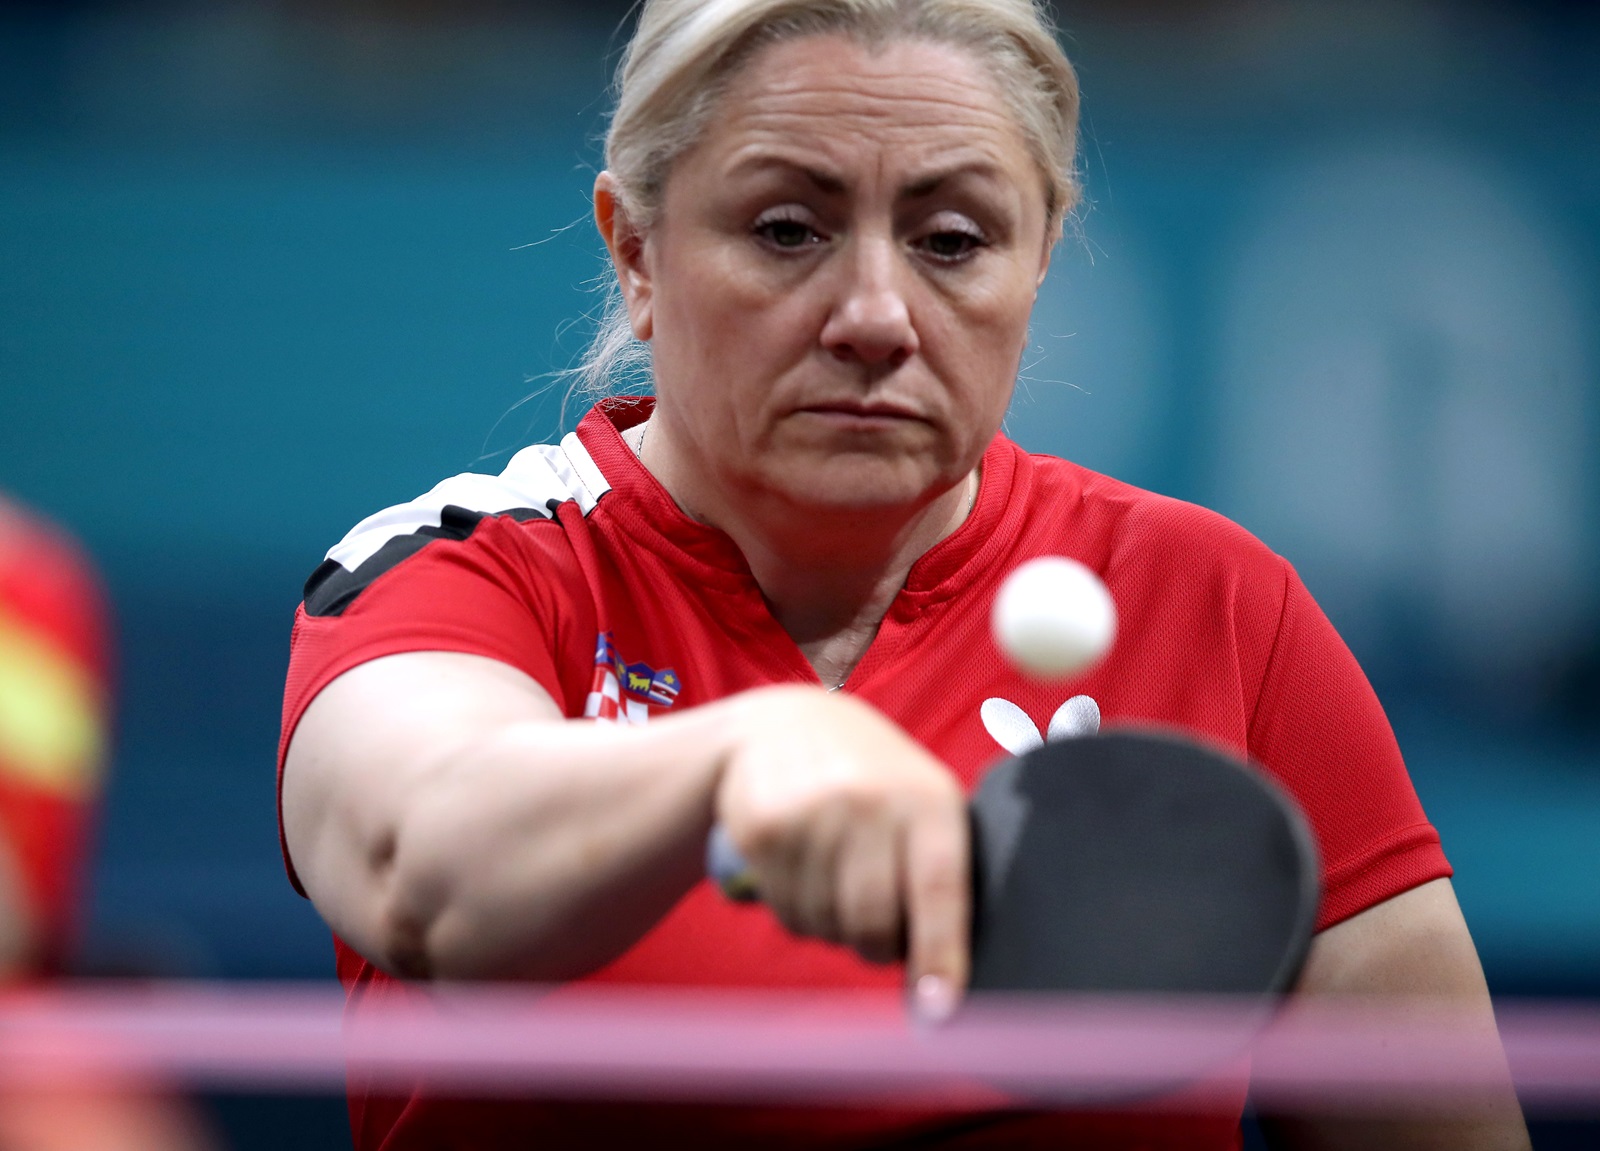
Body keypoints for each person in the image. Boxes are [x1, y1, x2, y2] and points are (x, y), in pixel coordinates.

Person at [278, 0, 1531, 1147]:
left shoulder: (1216, 605)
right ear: (637, 252)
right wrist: (740, 754)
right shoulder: (467, 571)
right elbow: (417, 862)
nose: (873, 314)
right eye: (786, 229)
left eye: (949, 238)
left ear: (1037, 260)